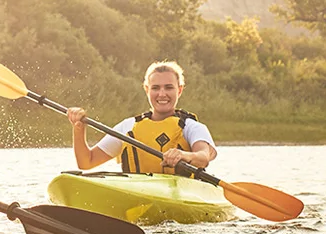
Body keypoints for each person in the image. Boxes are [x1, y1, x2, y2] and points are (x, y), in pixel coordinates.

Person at [66, 60, 218, 174]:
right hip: (139, 193)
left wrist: (183, 155)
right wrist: (78, 129)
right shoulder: (127, 127)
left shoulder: (192, 127)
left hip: (182, 193)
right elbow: (86, 162)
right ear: (147, 89)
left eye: (169, 87)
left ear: (179, 90)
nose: (162, 94)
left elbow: (204, 157)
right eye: (155, 88)